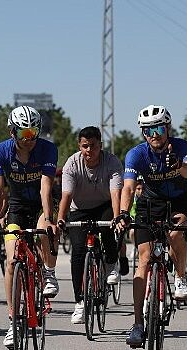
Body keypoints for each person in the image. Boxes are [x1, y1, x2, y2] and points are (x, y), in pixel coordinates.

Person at [115, 105, 187, 347]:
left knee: (175, 236)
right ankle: (138, 323)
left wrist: (178, 166)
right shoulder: (136, 154)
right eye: (148, 130)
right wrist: (122, 213)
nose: (154, 134)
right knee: (144, 258)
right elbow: (128, 187)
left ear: (168, 128)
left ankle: (181, 277)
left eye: (159, 128)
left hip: (180, 202)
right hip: (150, 204)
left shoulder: (183, 147)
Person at [0, 105, 59, 348]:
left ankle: (48, 272)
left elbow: (46, 186)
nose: (30, 139)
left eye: (34, 132)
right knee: (12, 261)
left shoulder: (47, 149)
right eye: (24, 134)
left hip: (39, 204)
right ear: (12, 132)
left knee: (45, 226)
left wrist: (49, 218)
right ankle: (13, 321)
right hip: (15, 206)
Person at [56, 126, 123, 324]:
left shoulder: (111, 162)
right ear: (79, 146)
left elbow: (115, 194)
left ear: (100, 145)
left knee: (107, 226)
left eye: (93, 146)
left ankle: (111, 264)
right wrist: (61, 218)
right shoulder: (71, 164)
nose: (89, 150)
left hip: (104, 205)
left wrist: (118, 218)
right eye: (84, 146)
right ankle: (79, 302)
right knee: (77, 251)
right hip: (80, 209)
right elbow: (66, 195)